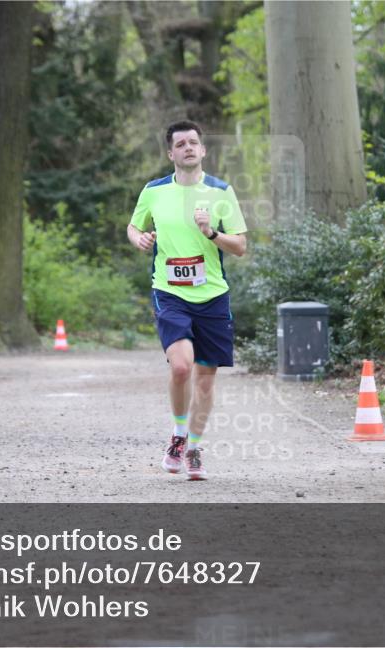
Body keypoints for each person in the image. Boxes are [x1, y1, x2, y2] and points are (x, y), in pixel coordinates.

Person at [126, 120, 248, 481]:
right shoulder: (154, 191)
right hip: (170, 291)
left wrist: (211, 232)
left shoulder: (221, 192)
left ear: (204, 150)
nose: (188, 148)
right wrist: (139, 239)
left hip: (212, 295)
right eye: (180, 144)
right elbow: (134, 226)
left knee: (206, 381)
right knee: (181, 367)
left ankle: (194, 447)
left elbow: (240, 246)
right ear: (170, 153)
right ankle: (178, 434)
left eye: (194, 142)